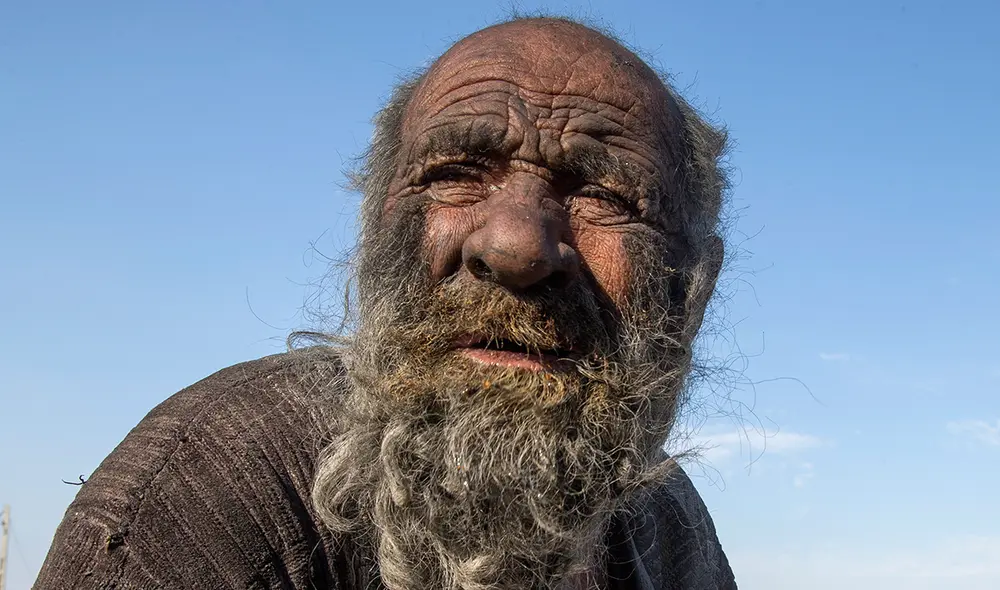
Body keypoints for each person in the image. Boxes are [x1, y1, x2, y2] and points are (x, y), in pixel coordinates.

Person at [34, 17, 736, 590]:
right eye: (456, 174)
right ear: (378, 237)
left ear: (691, 290)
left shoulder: (666, 519)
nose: (517, 246)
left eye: (604, 195)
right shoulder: (208, 494)